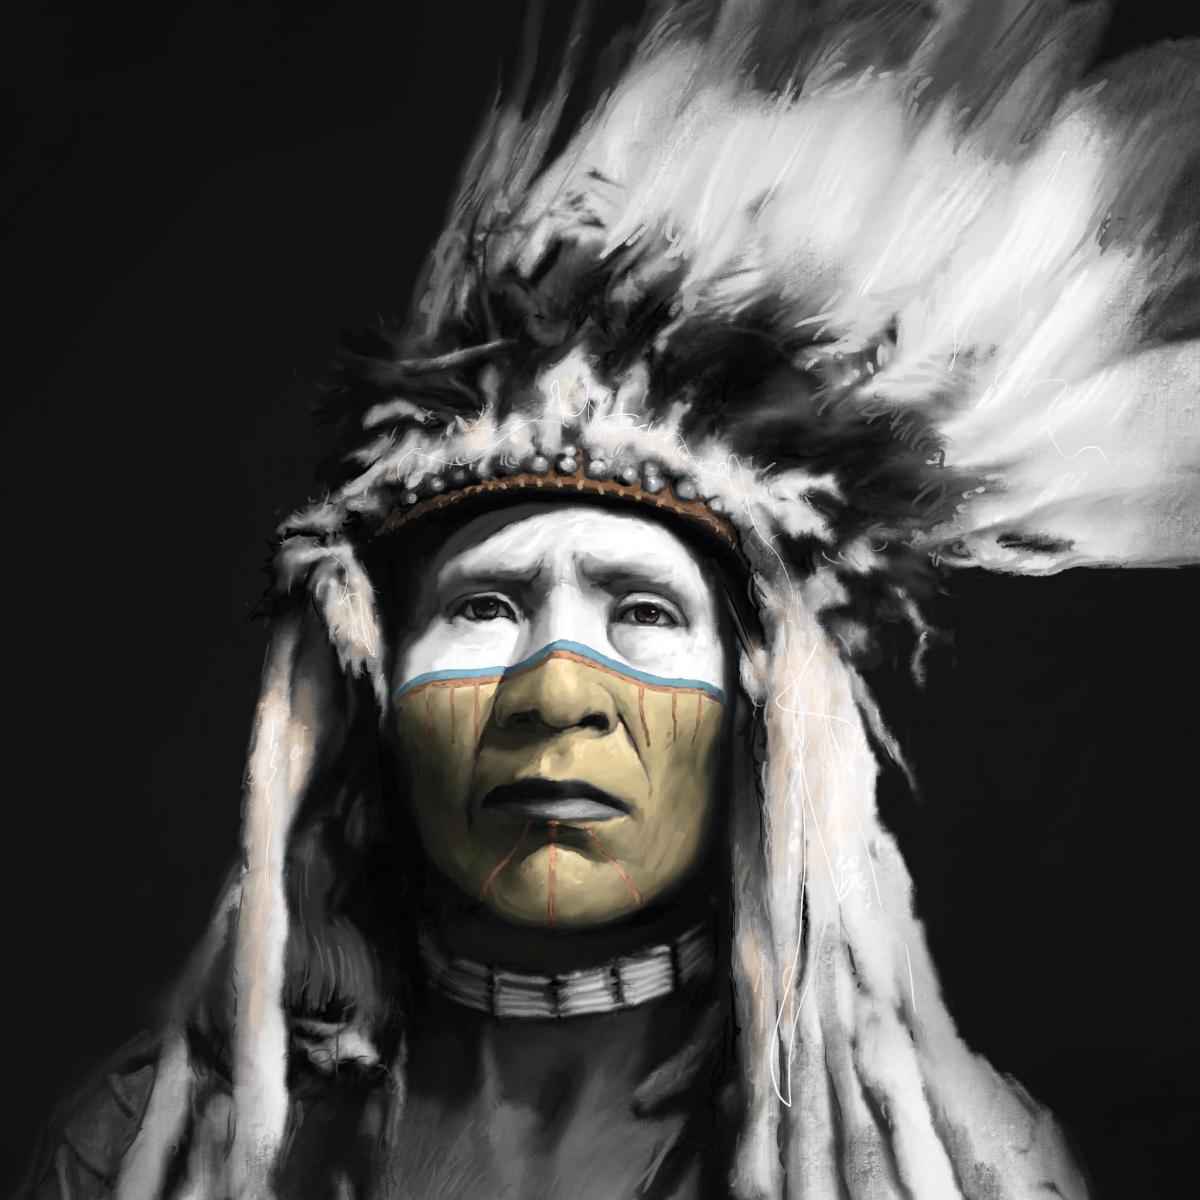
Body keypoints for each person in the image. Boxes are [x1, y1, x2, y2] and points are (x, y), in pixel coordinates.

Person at [20, 1, 1198, 1198]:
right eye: (485, 608)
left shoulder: (942, 1173)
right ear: (370, 700)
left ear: (763, 716)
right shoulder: (152, 1160)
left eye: (642, 611)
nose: (558, 692)